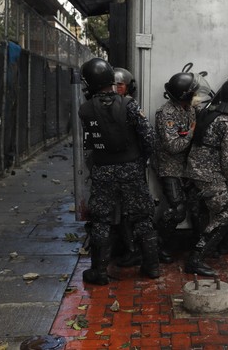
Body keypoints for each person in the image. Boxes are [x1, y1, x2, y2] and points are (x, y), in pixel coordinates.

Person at [78, 58, 159, 285]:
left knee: (101, 221)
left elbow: (89, 147)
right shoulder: (128, 104)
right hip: (132, 170)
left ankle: (99, 272)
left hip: (103, 171)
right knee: (142, 217)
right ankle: (151, 267)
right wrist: (139, 160)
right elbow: (149, 138)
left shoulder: (85, 110)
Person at [184, 78, 228, 276]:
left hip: (193, 169)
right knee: (225, 214)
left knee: (218, 207)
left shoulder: (208, 112)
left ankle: (224, 243)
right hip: (209, 173)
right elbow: (227, 160)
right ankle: (195, 259)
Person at [154, 72, 203, 263]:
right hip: (170, 168)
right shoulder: (166, 114)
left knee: (197, 206)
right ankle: (155, 245)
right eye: (193, 93)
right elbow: (173, 146)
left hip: (188, 167)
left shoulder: (189, 109)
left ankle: (199, 246)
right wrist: (191, 133)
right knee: (178, 209)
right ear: (185, 95)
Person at [110, 67, 144, 268]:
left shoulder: (131, 107)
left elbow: (145, 137)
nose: (116, 89)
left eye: (120, 85)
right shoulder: (104, 106)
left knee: (133, 212)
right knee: (120, 211)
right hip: (114, 167)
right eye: (113, 85)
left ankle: (136, 251)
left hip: (131, 167)